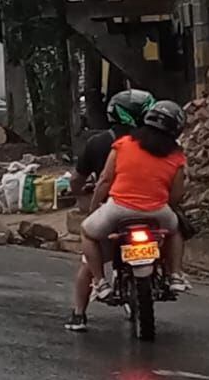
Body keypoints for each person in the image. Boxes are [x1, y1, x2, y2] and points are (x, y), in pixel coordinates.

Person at [65, 100, 190, 333]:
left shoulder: (123, 145)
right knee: (175, 231)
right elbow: (176, 195)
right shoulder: (176, 155)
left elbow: (104, 180)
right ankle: (175, 275)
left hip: (118, 210)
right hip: (157, 212)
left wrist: (94, 209)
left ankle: (100, 283)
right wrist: (163, 206)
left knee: (87, 232)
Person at [74, 90, 155, 213]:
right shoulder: (160, 142)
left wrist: (88, 204)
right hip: (154, 205)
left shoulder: (98, 143)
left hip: (113, 208)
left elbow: (82, 180)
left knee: (88, 225)